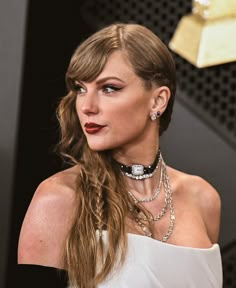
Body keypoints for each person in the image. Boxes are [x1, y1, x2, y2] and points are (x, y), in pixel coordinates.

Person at [17, 23, 223, 288]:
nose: (87, 106)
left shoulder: (203, 199)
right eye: (81, 88)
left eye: (109, 88)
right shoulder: (59, 198)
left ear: (158, 101)